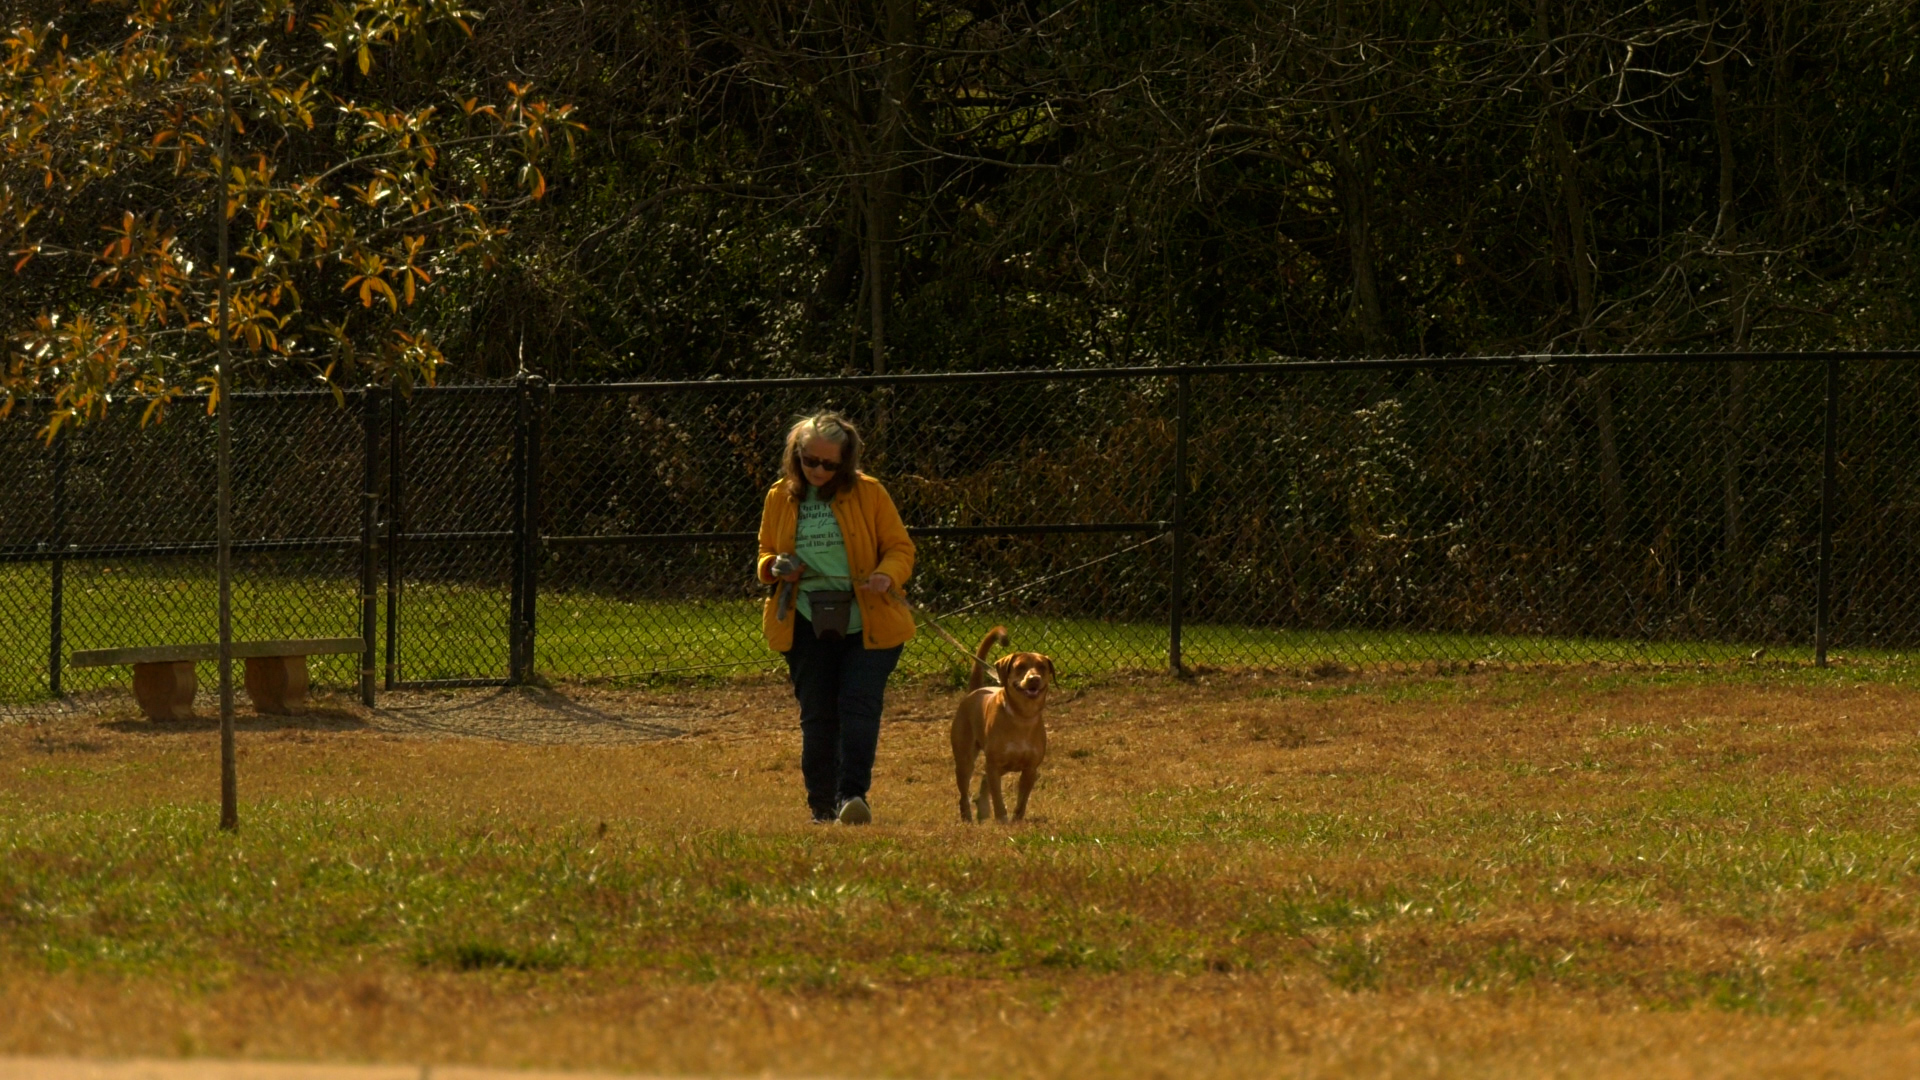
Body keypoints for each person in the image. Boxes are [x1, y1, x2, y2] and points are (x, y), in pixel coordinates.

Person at [756, 412, 916, 824]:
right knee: (818, 715)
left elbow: (901, 549)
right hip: (805, 618)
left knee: (859, 707)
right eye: (810, 461)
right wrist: (776, 566)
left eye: (830, 464)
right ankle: (821, 807)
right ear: (797, 455)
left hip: (868, 621)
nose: (819, 470)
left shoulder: (870, 493)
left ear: (845, 463)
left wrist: (885, 574)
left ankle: (852, 797)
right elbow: (765, 553)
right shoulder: (779, 495)